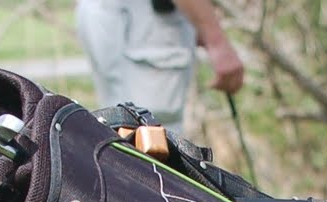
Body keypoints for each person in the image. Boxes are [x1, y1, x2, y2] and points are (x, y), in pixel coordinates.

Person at [75, 0, 246, 140]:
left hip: (111, 15)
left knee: (123, 131)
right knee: (154, 137)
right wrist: (216, 40)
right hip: (145, 21)